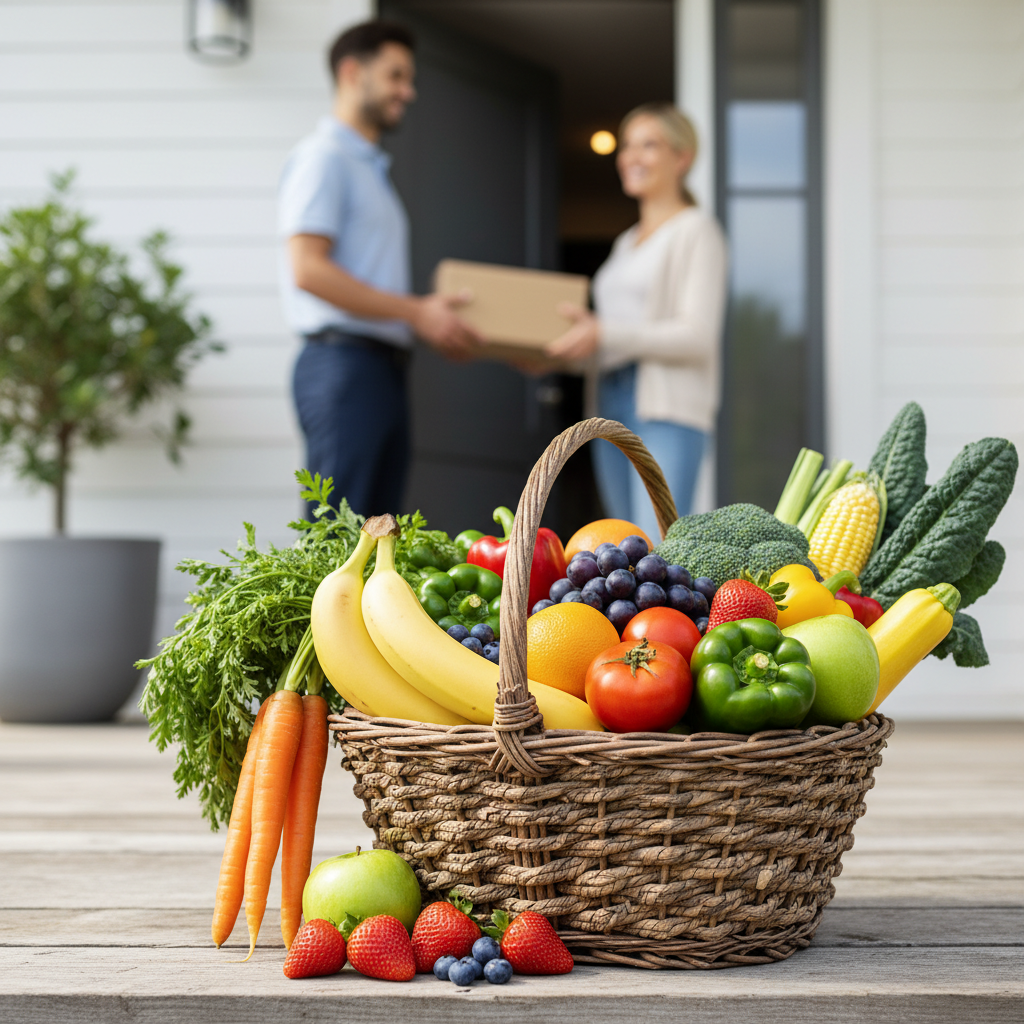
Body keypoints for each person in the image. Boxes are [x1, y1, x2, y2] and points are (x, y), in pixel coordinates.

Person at [279, 20, 479, 517]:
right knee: (334, 542)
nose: (407, 92)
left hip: (378, 371)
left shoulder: (368, 169)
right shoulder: (324, 158)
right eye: (396, 76)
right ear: (352, 72)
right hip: (343, 367)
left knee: (373, 540)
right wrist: (416, 312)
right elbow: (307, 268)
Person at [548, 104, 727, 539]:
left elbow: (697, 337)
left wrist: (602, 333)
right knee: (625, 544)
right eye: (627, 146)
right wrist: (555, 356)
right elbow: (609, 342)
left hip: (665, 407)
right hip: (610, 397)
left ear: (682, 158)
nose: (631, 156)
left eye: (648, 145)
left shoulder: (696, 231)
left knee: (660, 546)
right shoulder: (625, 243)